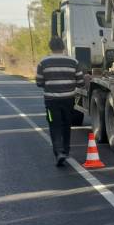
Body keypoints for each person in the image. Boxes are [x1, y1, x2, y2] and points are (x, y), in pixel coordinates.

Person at [35, 37, 84, 166]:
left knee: (54, 125)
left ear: (50, 47)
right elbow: (80, 82)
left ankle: (59, 152)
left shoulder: (43, 63)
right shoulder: (73, 62)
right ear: (63, 47)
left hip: (51, 102)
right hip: (68, 100)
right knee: (66, 125)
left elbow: (39, 82)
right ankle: (66, 151)